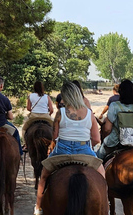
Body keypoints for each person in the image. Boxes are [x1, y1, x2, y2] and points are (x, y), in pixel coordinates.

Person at [34, 81, 104, 215]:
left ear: (66, 96)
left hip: (62, 151)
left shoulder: (61, 113)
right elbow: (96, 139)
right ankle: (105, 203)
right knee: (102, 175)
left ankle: (38, 208)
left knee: (43, 176)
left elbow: (54, 137)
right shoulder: (89, 113)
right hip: (84, 151)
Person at [96, 79, 133, 160]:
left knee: (98, 157)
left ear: (120, 92)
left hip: (115, 141)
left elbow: (107, 129)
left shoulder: (114, 105)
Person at [21, 81, 54, 152]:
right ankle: (55, 144)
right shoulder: (47, 97)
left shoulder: (31, 96)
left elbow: (28, 108)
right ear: (42, 88)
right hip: (45, 116)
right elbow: (51, 110)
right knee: (56, 129)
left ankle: (26, 144)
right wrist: (49, 115)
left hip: (34, 116)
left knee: (24, 129)